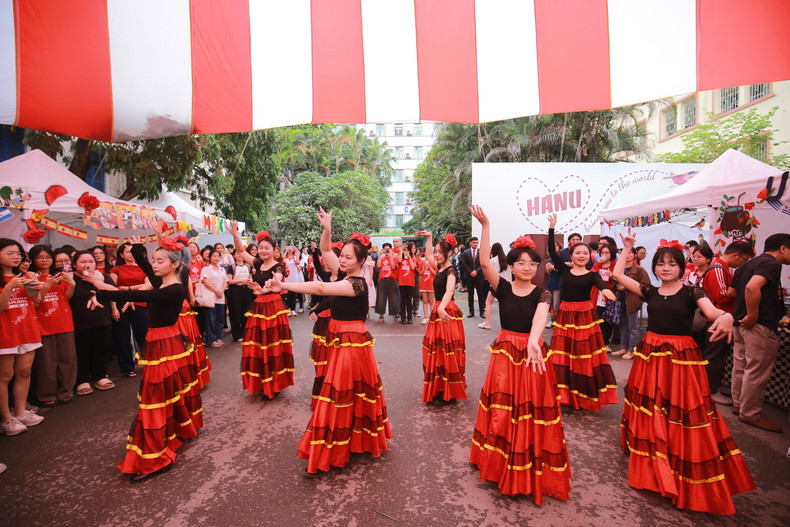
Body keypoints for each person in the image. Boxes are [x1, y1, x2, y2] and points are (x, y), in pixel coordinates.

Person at [613, 232, 755, 515]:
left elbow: (714, 312)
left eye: (672, 264)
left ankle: (679, 458)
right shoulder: (649, 291)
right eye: (661, 263)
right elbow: (618, 274)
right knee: (650, 405)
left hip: (681, 357)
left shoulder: (693, 292)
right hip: (651, 352)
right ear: (654, 267)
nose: (666, 268)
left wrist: (727, 317)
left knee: (685, 410)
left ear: (682, 267)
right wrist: (627, 249)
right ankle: (652, 455)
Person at [262, 208, 391, 475]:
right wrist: (327, 228)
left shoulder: (356, 284)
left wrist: (283, 286)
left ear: (361, 261)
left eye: (347, 256)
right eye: (341, 255)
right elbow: (324, 249)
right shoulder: (346, 272)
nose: (341, 259)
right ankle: (354, 441)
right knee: (350, 392)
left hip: (351, 342)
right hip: (343, 339)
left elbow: (320, 289)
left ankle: (337, 447)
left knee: (338, 393)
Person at [468, 207, 570, 503]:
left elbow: (541, 316)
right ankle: (498, 461)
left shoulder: (543, 293)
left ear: (537, 267)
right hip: (506, 355)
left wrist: (535, 340)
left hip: (532, 356)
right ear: (511, 266)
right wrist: (486, 225)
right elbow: (485, 261)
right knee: (502, 408)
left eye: (532, 263)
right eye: (521, 263)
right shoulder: (502, 288)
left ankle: (528, 462)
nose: (527, 267)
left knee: (530, 410)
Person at [88, 237, 202, 483]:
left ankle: (156, 459)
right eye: (154, 260)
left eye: (160, 260)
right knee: (165, 393)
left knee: (154, 399)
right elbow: (144, 265)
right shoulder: (161, 280)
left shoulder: (174, 288)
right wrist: (140, 247)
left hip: (164, 343)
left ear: (174, 265)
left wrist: (101, 289)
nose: (155, 264)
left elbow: (140, 296)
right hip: (163, 341)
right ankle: (177, 431)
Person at [546, 214, 618, 411]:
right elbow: (552, 251)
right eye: (577, 253)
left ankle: (585, 395)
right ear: (571, 255)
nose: (581, 256)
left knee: (584, 357)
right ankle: (564, 395)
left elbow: (601, 284)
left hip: (586, 317)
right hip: (566, 315)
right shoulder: (564, 270)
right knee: (564, 355)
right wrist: (552, 228)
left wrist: (605, 290)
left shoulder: (593, 275)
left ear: (590, 256)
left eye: (585, 253)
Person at [729, 232, 790, 433]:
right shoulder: (771, 264)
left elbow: (733, 292)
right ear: (782, 248)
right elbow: (752, 287)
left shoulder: (747, 264)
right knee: (756, 370)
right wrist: (753, 315)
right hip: (757, 323)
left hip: (739, 322)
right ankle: (750, 413)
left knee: (741, 366)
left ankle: (739, 404)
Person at [229, 224, 294, 400]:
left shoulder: (278, 268)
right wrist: (235, 235)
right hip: (258, 307)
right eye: (261, 248)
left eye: (267, 248)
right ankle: (261, 381)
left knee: (273, 345)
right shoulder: (257, 262)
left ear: (274, 250)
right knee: (257, 344)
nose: (263, 251)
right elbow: (242, 252)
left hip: (273, 307)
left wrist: (265, 289)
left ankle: (274, 384)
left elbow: (277, 281)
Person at [699, 241, 754, 405]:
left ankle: (712, 386)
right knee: (714, 356)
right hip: (716, 320)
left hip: (721, 320)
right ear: (735, 255)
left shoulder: (722, 268)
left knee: (718, 355)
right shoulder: (717, 269)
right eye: (743, 260)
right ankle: (710, 390)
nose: (742, 264)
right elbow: (722, 295)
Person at [415, 230, 466, 404]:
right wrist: (429, 237)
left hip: (446, 310)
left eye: (440, 252)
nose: (436, 255)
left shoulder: (451, 270)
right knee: (436, 351)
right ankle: (439, 387)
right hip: (439, 310)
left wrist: (442, 308)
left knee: (447, 351)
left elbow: (450, 290)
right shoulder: (440, 267)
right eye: (436, 252)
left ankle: (448, 390)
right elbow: (428, 254)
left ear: (449, 253)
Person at [0, 239, 44, 436]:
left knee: (25, 371)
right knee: (5, 376)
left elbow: (35, 303)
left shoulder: (25, 275)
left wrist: (35, 288)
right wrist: (10, 287)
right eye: (10, 253)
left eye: (18, 253)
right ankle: (6, 418)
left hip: (27, 328)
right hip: (6, 331)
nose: (16, 256)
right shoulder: (7, 280)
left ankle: (20, 411)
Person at [30, 245, 77, 406]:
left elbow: (66, 298)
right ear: (33, 260)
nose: (45, 260)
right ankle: (46, 395)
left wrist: (71, 285)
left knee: (67, 359)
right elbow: (33, 303)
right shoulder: (31, 278)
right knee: (46, 363)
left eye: (48, 257)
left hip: (64, 322)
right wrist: (46, 286)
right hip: (43, 324)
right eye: (40, 257)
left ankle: (66, 392)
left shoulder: (59, 276)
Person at [69, 251, 116, 396]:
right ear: (74, 265)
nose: (87, 264)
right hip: (79, 321)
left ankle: (100, 376)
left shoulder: (102, 277)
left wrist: (95, 282)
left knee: (101, 349)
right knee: (82, 351)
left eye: (90, 261)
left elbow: (115, 291)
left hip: (102, 319)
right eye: (83, 262)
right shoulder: (69, 279)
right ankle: (82, 380)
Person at [109, 242, 150, 377]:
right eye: (127, 252)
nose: (131, 255)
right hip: (120, 305)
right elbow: (112, 289)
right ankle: (127, 368)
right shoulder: (116, 270)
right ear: (121, 254)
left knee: (144, 335)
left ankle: (149, 362)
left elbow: (148, 285)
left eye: (133, 252)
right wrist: (114, 307)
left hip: (140, 303)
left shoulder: (143, 268)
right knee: (122, 336)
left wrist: (127, 289)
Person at [610, 247, 650, 360]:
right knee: (623, 325)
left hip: (632, 300)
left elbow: (646, 285)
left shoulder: (639, 269)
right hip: (620, 299)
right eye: (624, 253)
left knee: (633, 326)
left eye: (629, 253)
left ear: (634, 255)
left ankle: (632, 350)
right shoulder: (619, 268)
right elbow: (614, 280)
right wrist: (618, 285)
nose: (627, 255)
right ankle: (623, 347)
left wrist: (628, 286)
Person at [200, 249, 228, 348]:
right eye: (214, 256)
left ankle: (217, 337)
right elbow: (206, 282)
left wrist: (222, 291)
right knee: (210, 319)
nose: (216, 258)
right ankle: (211, 339)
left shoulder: (222, 269)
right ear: (210, 257)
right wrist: (216, 291)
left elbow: (226, 281)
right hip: (211, 298)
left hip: (221, 297)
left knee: (220, 319)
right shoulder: (206, 269)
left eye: (218, 256)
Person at [479, 242, 510, 331]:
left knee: (488, 303)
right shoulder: (506, 260)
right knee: (505, 305)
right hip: (507, 285)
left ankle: (487, 323)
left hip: (495, 284)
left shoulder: (492, 261)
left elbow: (490, 274)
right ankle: (507, 326)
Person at [590, 243, 616, 349]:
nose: (604, 255)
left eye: (607, 252)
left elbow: (620, 279)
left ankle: (605, 343)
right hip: (597, 296)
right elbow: (591, 275)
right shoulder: (598, 264)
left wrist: (613, 276)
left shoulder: (615, 264)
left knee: (608, 321)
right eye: (602, 253)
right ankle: (597, 342)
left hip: (610, 296)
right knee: (597, 318)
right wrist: (597, 263)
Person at [226, 250, 254, 342]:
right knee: (235, 313)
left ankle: (246, 333)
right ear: (234, 255)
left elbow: (250, 277)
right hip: (235, 291)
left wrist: (249, 281)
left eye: (241, 254)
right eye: (237, 254)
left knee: (246, 313)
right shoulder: (232, 267)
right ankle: (237, 335)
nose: (239, 256)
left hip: (247, 291)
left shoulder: (248, 266)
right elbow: (229, 281)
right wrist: (241, 281)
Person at [461, 237, 488, 318]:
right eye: (474, 242)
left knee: (481, 294)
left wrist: (476, 271)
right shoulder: (466, 252)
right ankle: (471, 311)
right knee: (470, 294)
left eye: (476, 242)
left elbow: (483, 263)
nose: (475, 244)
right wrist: (470, 272)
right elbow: (464, 264)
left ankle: (482, 311)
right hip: (469, 276)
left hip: (479, 275)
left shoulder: (481, 252)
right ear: (470, 243)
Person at [375, 243, 398, 323]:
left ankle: (396, 315)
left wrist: (391, 256)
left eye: (388, 249)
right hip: (382, 279)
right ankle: (381, 315)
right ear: (383, 250)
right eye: (385, 249)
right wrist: (380, 255)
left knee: (393, 298)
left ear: (391, 249)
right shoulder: (381, 258)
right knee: (381, 298)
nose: (387, 250)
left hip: (391, 279)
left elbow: (393, 267)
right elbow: (378, 266)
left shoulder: (394, 257)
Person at [397, 242, 418, 324]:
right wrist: (401, 250)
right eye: (405, 250)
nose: (407, 251)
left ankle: (410, 318)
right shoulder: (401, 257)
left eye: (408, 250)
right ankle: (403, 318)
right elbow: (398, 261)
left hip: (410, 282)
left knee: (409, 301)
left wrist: (409, 257)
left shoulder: (413, 258)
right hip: (402, 282)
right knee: (403, 301)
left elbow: (413, 267)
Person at [418, 250, 437, 325]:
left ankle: (432, 316)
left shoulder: (434, 262)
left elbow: (435, 273)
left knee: (432, 301)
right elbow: (420, 273)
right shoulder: (422, 262)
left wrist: (429, 267)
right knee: (425, 300)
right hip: (423, 283)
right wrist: (424, 267)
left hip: (431, 283)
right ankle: (425, 317)